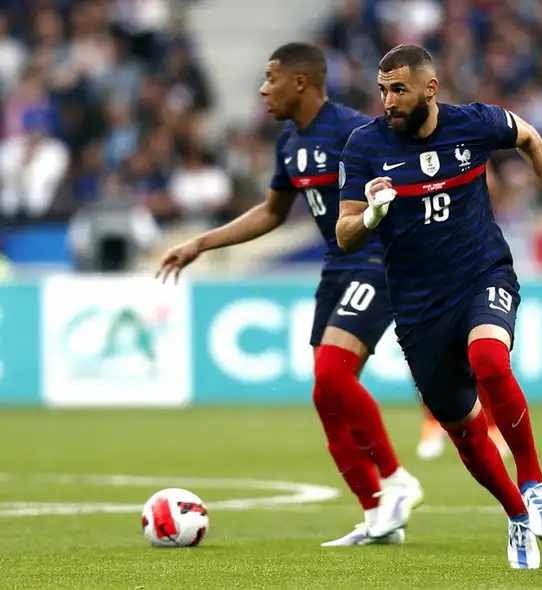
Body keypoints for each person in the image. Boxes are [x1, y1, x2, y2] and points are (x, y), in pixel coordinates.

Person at [155, 42, 421, 547]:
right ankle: (378, 519)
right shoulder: (288, 142)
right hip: (337, 267)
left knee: (331, 373)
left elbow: (403, 181)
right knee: (326, 396)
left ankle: (396, 481)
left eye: (270, 77)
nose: (261, 88)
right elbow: (273, 212)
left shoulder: (353, 131)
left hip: (378, 263)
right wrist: (201, 243)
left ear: (300, 82)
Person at [336, 44, 542, 569]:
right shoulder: (364, 146)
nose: (387, 100)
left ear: (430, 88)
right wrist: (374, 214)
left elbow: (531, 138)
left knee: (490, 360)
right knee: (465, 432)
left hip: (482, 276)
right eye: (382, 90)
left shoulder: (473, 124)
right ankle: (517, 517)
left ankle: (534, 482)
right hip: (419, 308)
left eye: (398, 89)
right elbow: (345, 233)